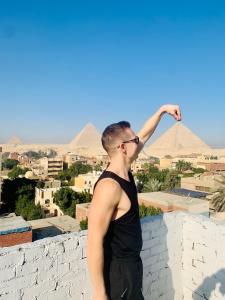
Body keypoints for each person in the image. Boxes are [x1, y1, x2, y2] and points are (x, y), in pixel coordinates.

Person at [87, 104, 182, 300]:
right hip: (119, 273)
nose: (139, 142)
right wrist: (99, 292)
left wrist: (162, 111)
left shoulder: (126, 169)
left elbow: (145, 134)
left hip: (132, 267)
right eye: (134, 140)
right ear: (122, 147)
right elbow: (94, 241)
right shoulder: (109, 187)